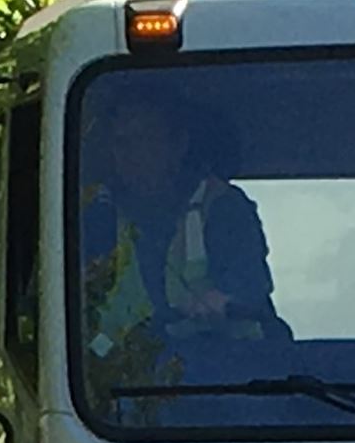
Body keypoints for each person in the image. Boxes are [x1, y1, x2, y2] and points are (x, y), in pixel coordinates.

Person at [78, 89, 278, 390]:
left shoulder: (221, 206)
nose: (131, 154)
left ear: (178, 144)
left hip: (234, 379)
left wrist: (220, 300)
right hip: (123, 388)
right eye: (122, 143)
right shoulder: (98, 216)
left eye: (144, 139)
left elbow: (250, 285)